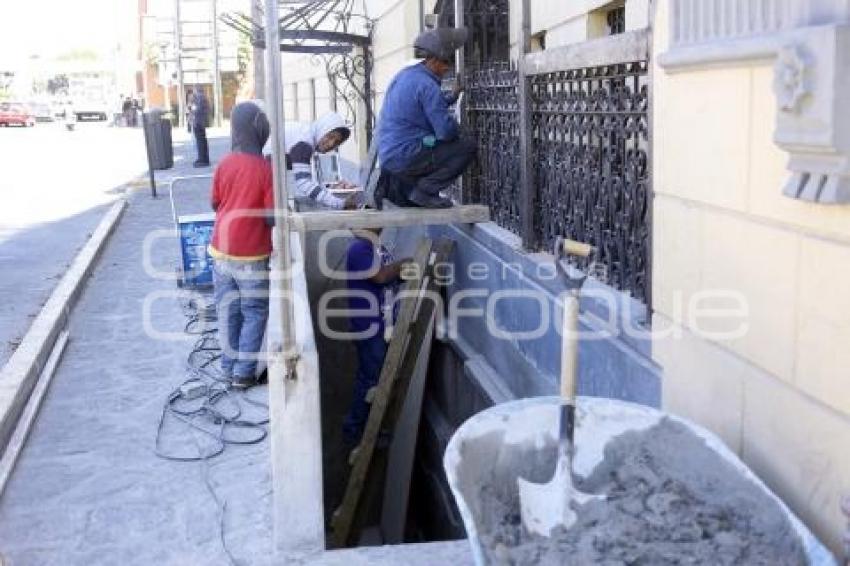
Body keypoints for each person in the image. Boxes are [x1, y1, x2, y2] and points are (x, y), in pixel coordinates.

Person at [208, 101, 273, 389]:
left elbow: (214, 202)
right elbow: (271, 217)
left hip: (220, 251)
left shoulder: (224, 164)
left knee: (228, 310)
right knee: (254, 311)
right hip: (252, 255)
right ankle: (244, 374)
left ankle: (228, 367)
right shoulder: (265, 169)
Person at [375, 27, 477, 209]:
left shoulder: (406, 75)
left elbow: (420, 106)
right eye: (445, 62)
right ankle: (424, 192)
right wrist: (457, 126)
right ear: (432, 60)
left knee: (431, 144)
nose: (447, 68)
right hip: (405, 155)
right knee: (467, 147)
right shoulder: (427, 85)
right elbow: (445, 133)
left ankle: (414, 191)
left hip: (390, 156)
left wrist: (451, 97)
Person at [343, 228, 410, 442]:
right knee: (370, 379)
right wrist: (400, 266)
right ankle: (355, 430)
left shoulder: (375, 248)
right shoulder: (359, 249)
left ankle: (368, 429)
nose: (381, 222)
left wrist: (399, 275)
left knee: (376, 377)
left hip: (382, 323)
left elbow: (386, 280)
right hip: (369, 326)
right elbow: (380, 276)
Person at [266, 111, 360, 209]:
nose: (331, 144)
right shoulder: (304, 144)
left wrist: (330, 188)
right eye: (330, 136)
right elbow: (304, 183)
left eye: (336, 141)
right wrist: (340, 203)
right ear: (322, 129)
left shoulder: (307, 134)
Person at [190, 88, 210, 167]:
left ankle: (202, 159)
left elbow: (196, 110)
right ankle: (204, 158)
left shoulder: (199, 98)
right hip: (201, 122)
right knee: (202, 140)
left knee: (200, 141)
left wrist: (191, 109)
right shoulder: (203, 97)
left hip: (198, 122)